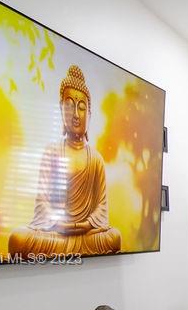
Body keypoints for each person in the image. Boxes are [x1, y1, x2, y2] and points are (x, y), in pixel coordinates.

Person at [8, 65, 121, 256]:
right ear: (61, 111)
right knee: (18, 239)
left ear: (90, 115)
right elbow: (42, 203)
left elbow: (101, 207)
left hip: (87, 235)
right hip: (57, 234)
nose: (76, 114)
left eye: (82, 107)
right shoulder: (52, 152)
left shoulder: (95, 159)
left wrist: (85, 224)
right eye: (69, 106)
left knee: (114, 237)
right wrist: (58, 224)